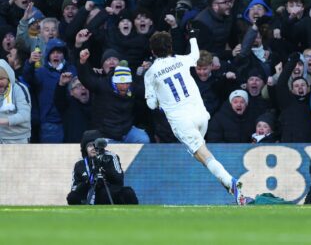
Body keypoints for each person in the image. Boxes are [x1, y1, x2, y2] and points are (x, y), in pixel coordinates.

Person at [143, 30, 245, 205]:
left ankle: (230, 182)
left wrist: (160, 98)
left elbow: (151, 105)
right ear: (171, 47)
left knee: (204, 155)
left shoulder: (151, 73)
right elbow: (195, 55)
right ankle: (228, 185)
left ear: (152, 51)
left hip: (181, 120)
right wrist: (193, 37)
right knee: (199, 154)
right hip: (201, 115)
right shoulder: (181, 60)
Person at [67, 130, 138, 205]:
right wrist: (88, 181)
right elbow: (74, 188)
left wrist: (106, 168)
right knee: (72, 197)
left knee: (128, 192)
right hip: (88, 193)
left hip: (108, 191)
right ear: (85, 148)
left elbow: (119, 179)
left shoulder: (111, 157)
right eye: (90, 145)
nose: (93, 148)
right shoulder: (80, 164)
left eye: (95, 145)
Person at [0, 59, 31, 143]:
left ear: (9, 77)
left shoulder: (19, 88)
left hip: (18, 138)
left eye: (2, 78)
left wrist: (2, 121)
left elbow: (25, 115)